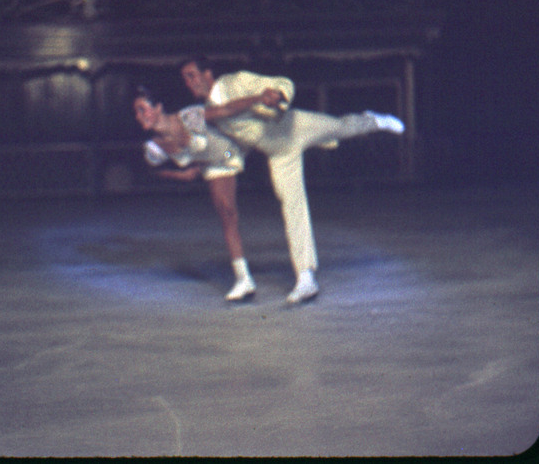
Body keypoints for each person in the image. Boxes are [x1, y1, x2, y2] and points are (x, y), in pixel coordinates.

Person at [178, 55, 405, 305]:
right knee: (292, 205)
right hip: (279, 154)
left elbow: (282, 83)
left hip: (293, 126)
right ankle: (306, 277)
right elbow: (237, 147)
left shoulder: (236, 82)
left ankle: (373, 120)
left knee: (341, 127)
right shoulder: (212, 116)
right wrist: (203, 166)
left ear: (208, 73)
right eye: (185, 79)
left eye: (192, 75)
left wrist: (278, 95)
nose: (190, 83)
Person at [133, 88, 258, 301]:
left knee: (255, 137)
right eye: (136, 112)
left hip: (231, 150)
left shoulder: (189, 117)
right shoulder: (154, 148)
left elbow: (226, 109)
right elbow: (153, 171)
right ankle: (244, 279)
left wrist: (259, 97)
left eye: (143, 109)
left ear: (159, 107)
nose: (140, 116)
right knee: (227, 213)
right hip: (212, 166)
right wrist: (181, 174)